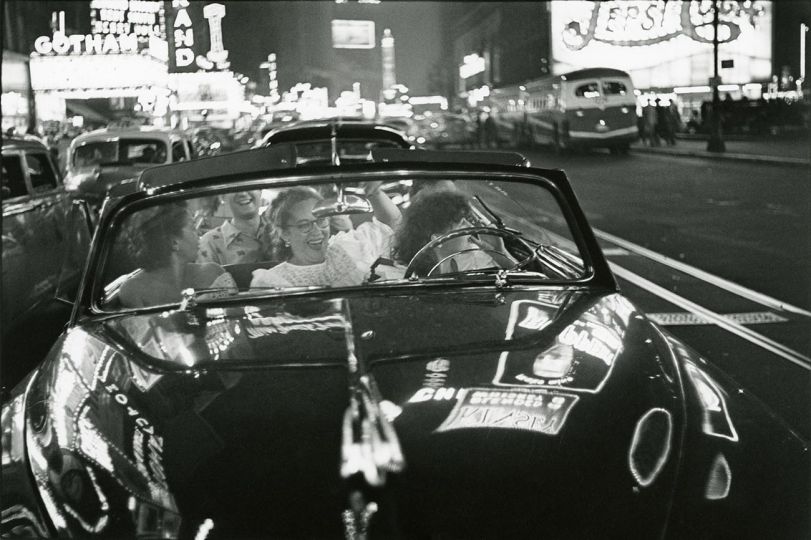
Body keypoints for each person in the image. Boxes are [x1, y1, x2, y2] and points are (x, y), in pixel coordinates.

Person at [250, 181, 400, 288]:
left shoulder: (346, 249)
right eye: (304, 225)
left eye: (321, 221)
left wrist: (374, 191)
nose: (317, 231)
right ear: (285, 234)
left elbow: (390, 223)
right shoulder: (270, 281)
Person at [119, 202, 237, 308]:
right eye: (192, 228)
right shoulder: (133, 290)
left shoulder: (213, 273)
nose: (199, 234)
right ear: (174, 242)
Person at [393, 190, 513, 277]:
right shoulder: (412, 279)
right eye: (461, 224)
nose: (470, 227)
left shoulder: (464, 260)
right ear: (438, 240)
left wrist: (499, 253)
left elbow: (520, 276)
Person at [197, 190, 275, 265]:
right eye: (235, 188)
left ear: (260, 191)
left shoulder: (281, 232)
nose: (243, 193)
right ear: (223, 197)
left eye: (249, 185)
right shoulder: (210, 243)